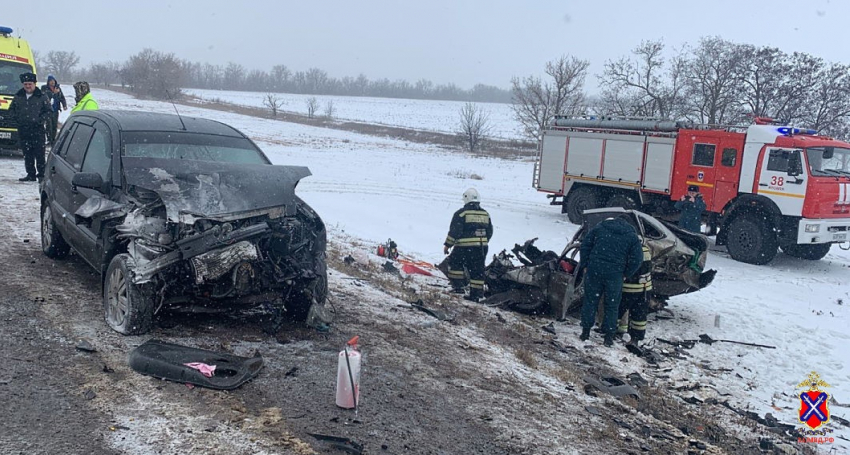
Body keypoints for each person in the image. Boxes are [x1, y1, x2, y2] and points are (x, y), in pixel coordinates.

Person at [578, 214, 643, 347]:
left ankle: (585, 331)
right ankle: (608, 336)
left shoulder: (600, 227)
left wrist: (585, 264)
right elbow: (637, 259)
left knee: (590, 301)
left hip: (594, 270)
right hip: (615, 275)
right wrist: (626, 273)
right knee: (612, 305)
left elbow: (585, 245)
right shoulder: (631, 236)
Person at [443, 188, 493, 302]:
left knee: (455, 263)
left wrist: (447, 245)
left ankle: (458, 287)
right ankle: (476, 294)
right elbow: (490, 232)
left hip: (464, 248)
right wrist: (482, 242)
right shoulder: (485, 214)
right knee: (477, 270)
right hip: (481, 248)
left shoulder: (461, 213)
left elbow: (455, 231)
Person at [8, 72, 51, 182]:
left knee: (39, 154)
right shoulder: (18, 96)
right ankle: (30, 174)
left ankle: (41, 175)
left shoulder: (42, 96)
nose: (28, 86)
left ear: (34, 84)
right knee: (27, 154)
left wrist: (40, 120)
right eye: (26, 84)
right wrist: (17, 120)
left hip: (38, 130)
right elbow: (11, 110)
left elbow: (49, 112)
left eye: (30, 84)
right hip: (23, 130)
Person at [618, 243, 653, 346]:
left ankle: (610, 332)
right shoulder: (645, 248)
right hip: (645, 289)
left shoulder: (626, 249)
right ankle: (635, 338)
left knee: (617, 310)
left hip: (629, 288)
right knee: (639, 315)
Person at [41, 75, 67, 146]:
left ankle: (53, 140)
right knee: (49, 125)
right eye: (51, 81)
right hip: (48, 110)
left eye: (53, 81)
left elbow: (62, 97)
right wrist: (53, 93)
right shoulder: (44, 88)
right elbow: (44, 96)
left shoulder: (58, 88)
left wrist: (64, 105)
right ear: (48, 82)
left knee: (54, 125)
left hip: (55, 110)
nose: (52, 82)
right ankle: (49, 139)